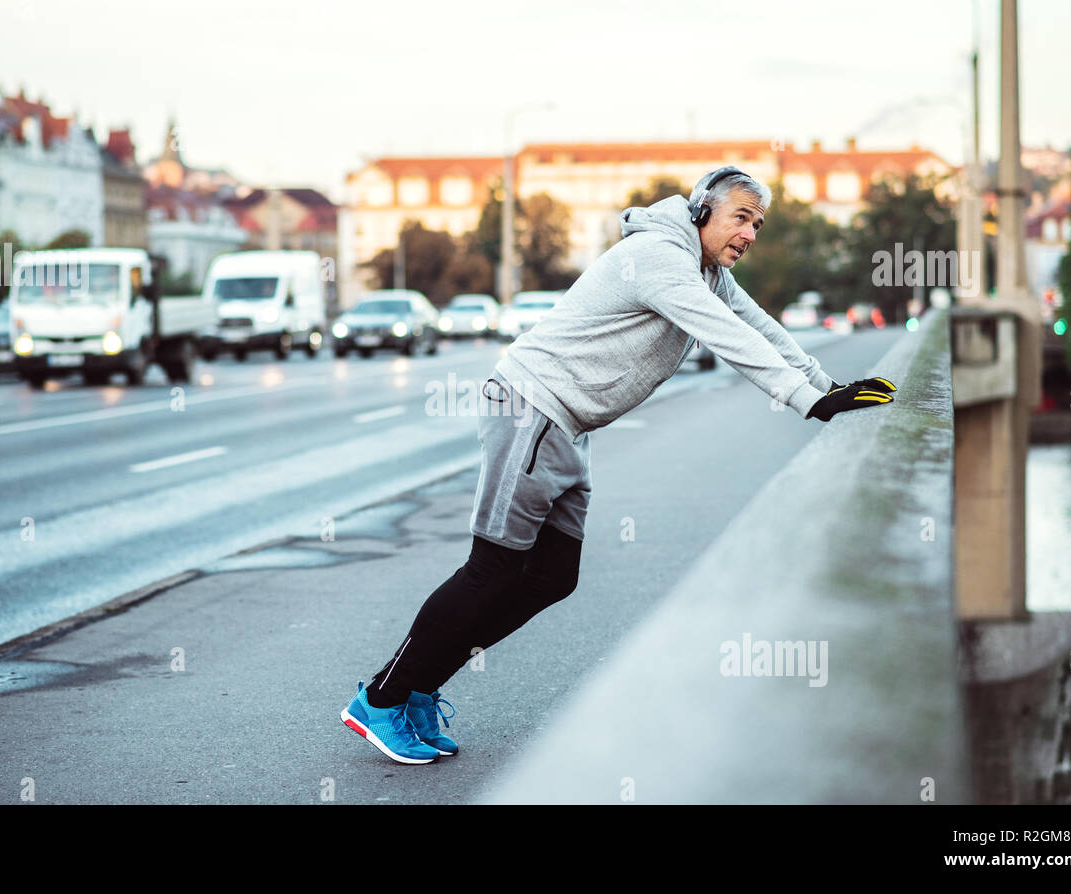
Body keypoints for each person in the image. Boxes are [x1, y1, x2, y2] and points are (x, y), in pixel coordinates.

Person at [340, 166, 896, 763]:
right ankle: (383, 697)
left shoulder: (707, 272)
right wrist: (807, 400)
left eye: (758, 224)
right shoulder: (660, 257)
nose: (750, 234)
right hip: (532, 407)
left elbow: (758, 327)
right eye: (741, 217)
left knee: (553, 577)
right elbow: (724, 337)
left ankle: (419, 688)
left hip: (566, 424)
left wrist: (828, 384)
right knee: (492, 569)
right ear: (703, 210)